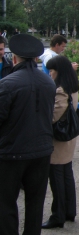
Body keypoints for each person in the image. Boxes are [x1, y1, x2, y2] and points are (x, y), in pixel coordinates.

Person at [0, 34, 56, 235]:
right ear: (35, 58)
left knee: (5, 203)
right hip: (41, 151)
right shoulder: (48, 82)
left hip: (11, 152)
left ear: (14, 58)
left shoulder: (7, 84)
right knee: (35, 201)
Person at [42, 55, 79, 229]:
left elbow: (53, 116)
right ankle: (69, 211)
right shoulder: (72, 86)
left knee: (56, 177)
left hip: (58, 139)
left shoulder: (60, 90)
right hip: (68, 137)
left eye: (51, 70)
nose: (50, 74)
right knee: (66, 175)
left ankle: (58, 215)